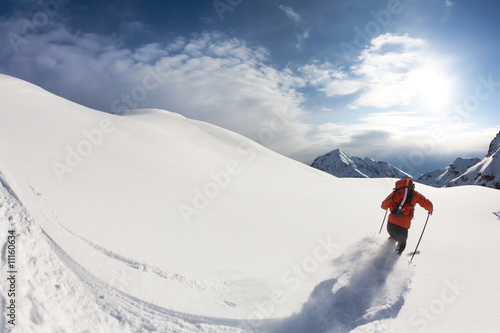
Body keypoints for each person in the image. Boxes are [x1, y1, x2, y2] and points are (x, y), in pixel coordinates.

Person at [381, 177, 433, 255]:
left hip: (390, 224)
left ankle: (383, 253)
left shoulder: (395, 193)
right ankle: (392, 261)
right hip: (403, 227)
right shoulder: (415, 194)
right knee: (401, 245)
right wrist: (430, 210)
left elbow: (383, 206)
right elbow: (427, 204)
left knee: (393, 237)